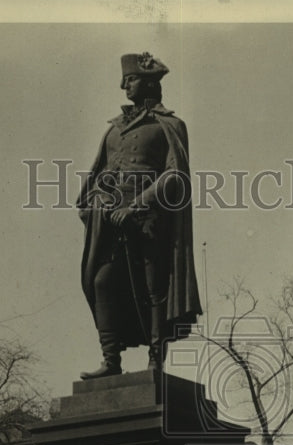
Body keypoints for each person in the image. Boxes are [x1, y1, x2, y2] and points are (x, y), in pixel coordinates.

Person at [77, 52, 202, 379]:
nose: (123, 86)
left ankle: (156, 360)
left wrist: (137, 205)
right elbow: (98, 180)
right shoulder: (114, 131)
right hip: (112, 222)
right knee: (102, 282)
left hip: (151, 221)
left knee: (154, 288)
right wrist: (102, 203)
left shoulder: (170, 126)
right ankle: (111, 361)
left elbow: (176, 175)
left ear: (147, 82)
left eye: (130, 79)